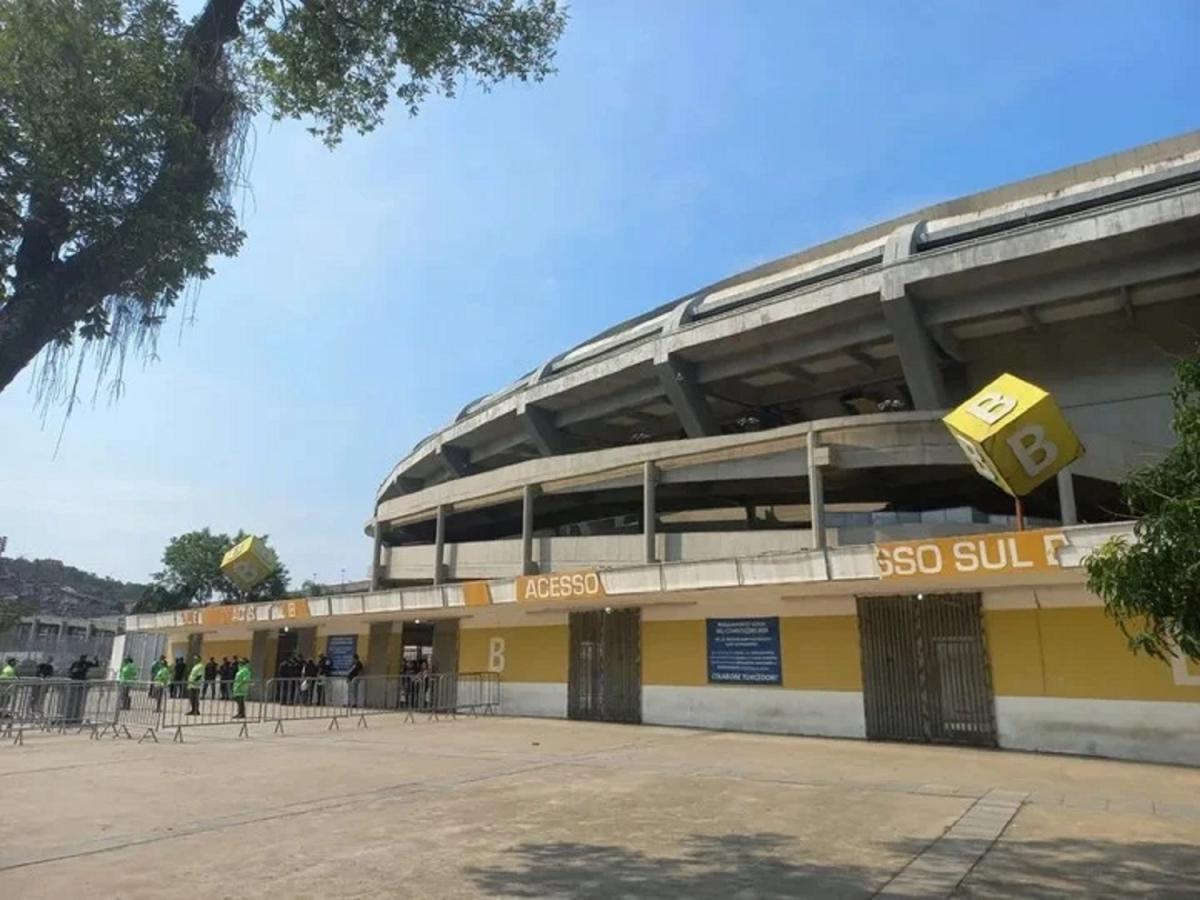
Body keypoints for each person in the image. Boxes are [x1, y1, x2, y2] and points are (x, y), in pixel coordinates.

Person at [65, 654, 99, 724]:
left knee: (79, 701)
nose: (83, 659)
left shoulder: (86, 663)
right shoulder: (76, 663)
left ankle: (77, 717)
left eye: (84, 658)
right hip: (74, 682)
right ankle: (69, 717)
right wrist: (72, 673)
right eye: (82, 658)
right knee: (72, 700)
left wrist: (96, 660)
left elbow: (96, 665)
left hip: (81, 683)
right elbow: (70, 670)